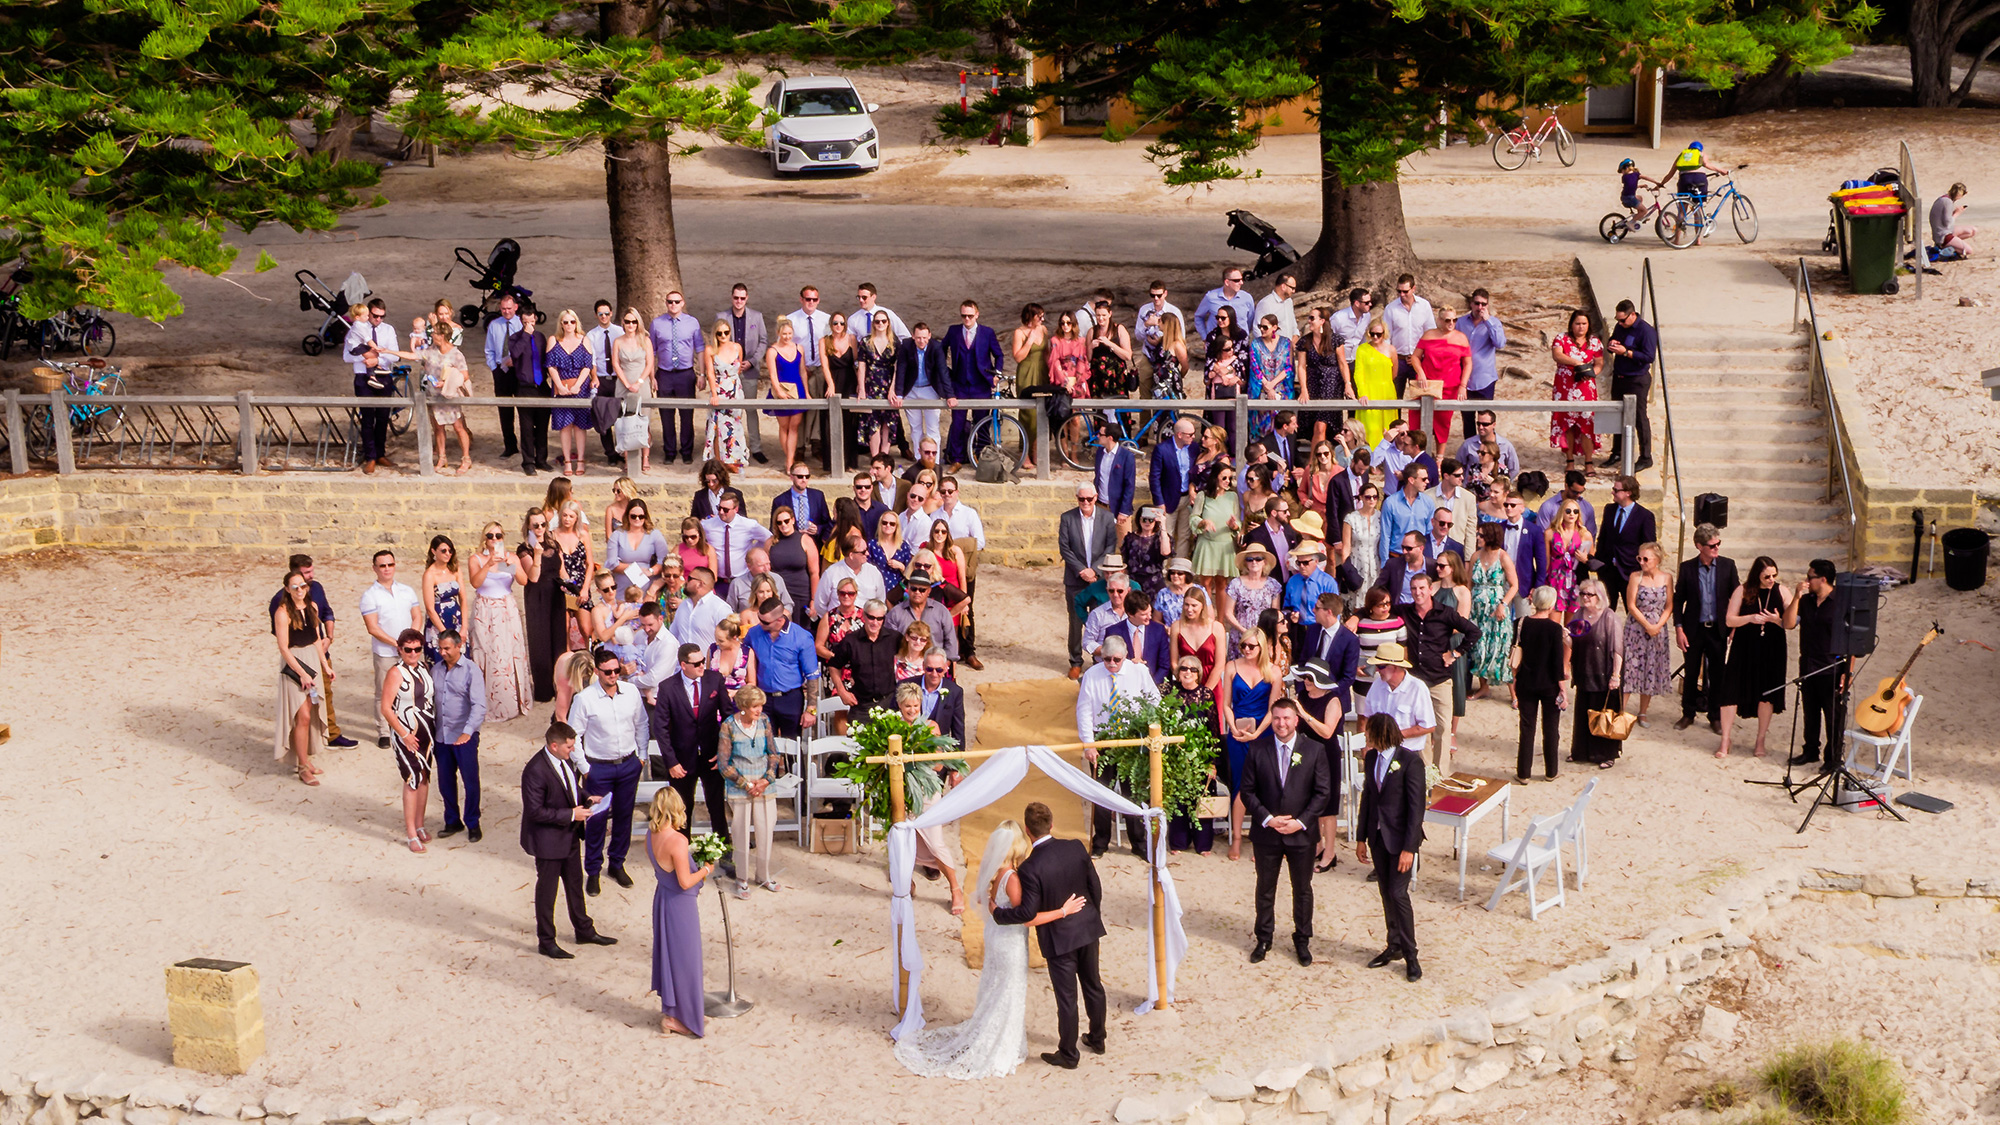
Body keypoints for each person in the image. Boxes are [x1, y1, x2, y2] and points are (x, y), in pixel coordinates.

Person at [895, 819, 1072, 1080]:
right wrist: (1062, 911)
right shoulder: (1012, 878)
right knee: (1008, 991)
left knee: (997, 988)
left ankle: (1000, 1035)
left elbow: (991, 902)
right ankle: (1001, 1044)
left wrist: (995, 907)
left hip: (997, 936)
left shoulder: (998, 873)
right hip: (1009, 942)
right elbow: (1026, 917)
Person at [988, 801, 1106, 1070]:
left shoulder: (1029, 868)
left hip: (1059, 939)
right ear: (1052, 824)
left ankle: (1068, 1053)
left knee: (1067, 998)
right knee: (1093, 985)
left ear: (1028, 831)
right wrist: (1091, 916)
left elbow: (1026, 913)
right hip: (1087, 928)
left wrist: (998, 914)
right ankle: (1098, 1039)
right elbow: (1095, 886)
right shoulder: (1076, 846)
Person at [1241, 697, 1332, 966]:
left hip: (1301, 834)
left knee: (1302, 889)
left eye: (1287, 718)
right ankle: (1264, 938)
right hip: (1267, 833)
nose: (1281, 723)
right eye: (1277, 718)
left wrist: (1301, 822)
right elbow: (1247, 791)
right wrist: (1267, 819)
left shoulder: (1315, 750)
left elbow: (1322, 792)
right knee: (1265, 888)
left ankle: (1302, 940)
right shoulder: (1258, 749)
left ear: (1296, 720)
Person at [520, 720, 618, 959]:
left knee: (575, 885)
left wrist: (587, 797)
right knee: (548, 892)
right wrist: (572, 814)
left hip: (570, 836)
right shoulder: (535, 771)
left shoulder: (563, 762)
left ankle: (584, 930)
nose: (572, 750)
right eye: (569, 747)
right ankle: (546, 940)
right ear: (554, 746)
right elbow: (534, 811)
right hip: (548, 842)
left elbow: (570, 788)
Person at [566, 647, 650, 894]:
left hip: (628, 765)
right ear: (597, 671)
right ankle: (592, 871)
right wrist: (585, 768)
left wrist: (642, 757)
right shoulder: (584, 699)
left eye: (617, 670)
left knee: (624, 817)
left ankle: (617, 864)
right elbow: (574, 736)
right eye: (608, 672)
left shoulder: (631, 692)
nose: (613, 675)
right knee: (597, 821)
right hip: (598, 768)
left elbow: (642, 724)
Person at [1356, 711, 1426, 982]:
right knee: (1386, 892)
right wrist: (1361, 838)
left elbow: (1416, 808)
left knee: (1399, 894)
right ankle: (1393, 944)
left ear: (1380, 733)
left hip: (1401, 841)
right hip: (1378, 839)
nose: (1366, 736)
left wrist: (1409, 848)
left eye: (1369, 732)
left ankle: (1411, 954)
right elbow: (1368, 799)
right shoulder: (1372, 758)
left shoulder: (1410, 762)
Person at [1074, 636, 1158, 859]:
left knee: (1132, 794)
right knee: (1102, 793)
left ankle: (1139, 843)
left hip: (1130, 741)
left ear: (1125, 657)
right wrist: (1089, 744)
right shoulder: (1092, 675)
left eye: (1116, 660)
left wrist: (1147, 731)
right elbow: (1084, 710)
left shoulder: (1138, 672)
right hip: (1103, 741)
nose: (1111, 664)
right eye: (1106, 659)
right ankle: (1100, 841)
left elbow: (1154, 700)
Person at [643, 787, 711, 1038]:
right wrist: (706, 870)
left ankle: (680, 1012)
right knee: (686, 961)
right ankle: (677, 1019)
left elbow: (663, 872)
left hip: (662, 899)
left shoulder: (650, 837)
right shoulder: (677, 841)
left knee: (671, 959)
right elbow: (684, 881)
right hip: (680, 905)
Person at [1401, 570, 1480, 769]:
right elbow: (1374, 608)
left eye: (1421, 588)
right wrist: (1356, 618)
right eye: (1414, 588)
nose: (1418, 593)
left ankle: (1441, 774)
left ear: (1430, 590)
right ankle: (1426, 774)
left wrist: (1455, 653)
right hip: (1416, 680)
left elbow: (1473, 632)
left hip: (1439, 679)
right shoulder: (1405, 611)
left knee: (1443, 728)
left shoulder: (1445, 613)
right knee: (1421, 728)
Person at [1715, 556, 1791, 761]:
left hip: (1772, 647)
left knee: (1766, 694)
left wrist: (1777, 620)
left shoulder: (1782, 591)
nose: (1771, 579)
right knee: (1730, 691)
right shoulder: (1742, 590)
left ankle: (1760, 739)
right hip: (1744, 645)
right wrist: (1750, 618)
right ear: (1757, 574)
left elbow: (1792, 621)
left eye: (1774, 575)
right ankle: (1726, 739)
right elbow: (1730, 619)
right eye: (1767, 576)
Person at [1217, 627, 1281, 862]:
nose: (1245, 649)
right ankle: (1235, 838)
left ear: (1261, 647)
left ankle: (1260, 837)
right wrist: (1233, 728)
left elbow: (1273, 708)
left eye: (1251, 646)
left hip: (1263, 734)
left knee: (1264, 785)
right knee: (1240, 786)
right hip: (1238, 732)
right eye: (1243, 645)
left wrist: (1259, 733)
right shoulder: (1232, 667)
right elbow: (1226, 704)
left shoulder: (1273, 671)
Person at [1672, 524, 1738, 733]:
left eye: (1718, 544)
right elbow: (1678, 600)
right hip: (1694, 628)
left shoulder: (1728, 566)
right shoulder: (1687, 568)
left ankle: (1715, 716)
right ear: (1699, 546)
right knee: (1691, 672)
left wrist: (1734, 625)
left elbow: (1736, 596)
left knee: (1718, 673)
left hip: (1718, 629)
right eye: (1712, 545)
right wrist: (1679, 629)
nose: (1716, 548)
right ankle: (1688, 713)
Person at [1785, 559, 1851, 769]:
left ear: (1822, 579)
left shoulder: (1841, 602)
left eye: (1810, 576)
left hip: (1832, 667)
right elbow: (1788, 623)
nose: (1807, 580)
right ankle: (1810, 750)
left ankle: (1832, 758)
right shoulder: (1806, 601)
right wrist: (1796, 596)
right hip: (1808, 664)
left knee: (1833, 716)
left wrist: (1847, 672)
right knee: (1810, 712)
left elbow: (1851, 641)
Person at [718, 684, 782, 897]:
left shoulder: (764, 721)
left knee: (766, 831)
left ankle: (763, 875)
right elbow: (723, 763)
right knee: (740, 833)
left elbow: (773, 753)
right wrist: (746, 784)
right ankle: (741, 878)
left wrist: (766, 780)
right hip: (740, 787)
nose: (759, 710)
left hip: (764, 785)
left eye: (760, 705)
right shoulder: (729, 725)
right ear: (743, 706)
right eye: (755, 706)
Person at [380, 627, 436, 853]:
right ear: (400, 649)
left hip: (427, 731)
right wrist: (404, 735)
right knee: (412, 778)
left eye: (417, 649)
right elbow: (386, 708)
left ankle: (420, 824)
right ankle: (411, 832)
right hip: (406, 733)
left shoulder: (424, 668)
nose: (413, 654)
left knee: (424, 778)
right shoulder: (395, 673)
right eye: (408, 650)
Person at [359, 550, 423, 749]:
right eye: (382, 565)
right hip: (385, 652)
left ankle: (413, 724)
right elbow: (373, 627)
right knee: (383, 692)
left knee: (414, 688)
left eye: (390, 564)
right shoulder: (370, 596)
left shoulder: (407, 590)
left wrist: (411, 641)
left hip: (410, 651)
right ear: (374, 568)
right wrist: (397, 644)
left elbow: (417, 615)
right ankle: (384, 731)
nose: (387, 569)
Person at [273, 568, 330, 785]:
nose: (300, 590)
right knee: (302, 715)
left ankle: (305, 759)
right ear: (287, 589)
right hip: (296, 665)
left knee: (311, 713)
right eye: (295, 587)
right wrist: (303, 673)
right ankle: (302, 766)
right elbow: (284, 648)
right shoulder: (283, 612)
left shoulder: (312, 607)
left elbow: (317, 639)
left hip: (313, 662)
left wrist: (325, 665)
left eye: (303, 586)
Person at [429, 628, 487, 841]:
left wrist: (467, 732)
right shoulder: (435, 670)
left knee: (470, 782)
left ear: (458, 646)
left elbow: (479, 705)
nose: (442, 652)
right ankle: (452, 820)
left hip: (464, 737)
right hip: (442, 736)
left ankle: (473, 822)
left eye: (447, 648)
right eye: (440, 648)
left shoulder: (472, 670)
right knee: (445, 781)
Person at [1058, 484, 1119, 678]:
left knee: (1100, 621)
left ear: (1096, 497)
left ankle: (1098, 660)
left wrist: (1094, 570)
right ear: (1077, 498)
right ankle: (1075, 661)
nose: (1085, 503)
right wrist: (1082, 570)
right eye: (1081, 499)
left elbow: (1111, 546)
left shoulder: (1107, 518)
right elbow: (1064, 548)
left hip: (1099, 578)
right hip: (1076, 578)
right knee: (1075, 621)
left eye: (1089, 499)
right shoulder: (1067, 518)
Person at [1567, 577, 1627, 769]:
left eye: (1590, 594)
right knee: (1583, 712)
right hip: (1584, 670)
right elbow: (1573, 642)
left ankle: (1605, 754)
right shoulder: (1578, 615)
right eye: (1583, 594)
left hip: (1604, 672)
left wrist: (1616, 675)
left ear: (1599, 596)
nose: (1585, 598)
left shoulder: (1609, 617)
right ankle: (1581, 752)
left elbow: (1617, 649)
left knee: (1604, 714)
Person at [1512, 587, 1569, 782]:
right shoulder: (1555, 629)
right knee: (1551, 729)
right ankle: (1551, 771)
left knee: (1527, 729)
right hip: (1549, 685)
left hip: (1526, 682)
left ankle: (1523, 773)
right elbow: (1557, 662)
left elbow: (1515, 653)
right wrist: (1563, 690)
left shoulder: (1520, 623)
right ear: (1551, 605)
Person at [941, 300, 1004, 470]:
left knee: (982, 422)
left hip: (981, 384)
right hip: (960, 384)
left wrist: (996, 375)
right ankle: (957, 459)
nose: (967, 319)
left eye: (970, 315)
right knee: (957, 423)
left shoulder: (987, 333)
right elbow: (941, 350)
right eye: (963, 315)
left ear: (977, 314)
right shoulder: (953, 331)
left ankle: (981, 457)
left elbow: (999, 355)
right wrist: (945, 372)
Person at [745, 598, 820, 738]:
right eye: (759, 619)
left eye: (765, 622)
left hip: (790, 698)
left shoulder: (802, 637)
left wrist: (811, 709)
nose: (760, 624)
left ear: (780, 620)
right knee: (763, 746)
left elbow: (812, 675)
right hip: (762, 698)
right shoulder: (753, 633)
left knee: (791, 747)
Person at [343, 298, 403, 474]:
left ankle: (380, 453)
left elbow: (394, 354)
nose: (378, 320)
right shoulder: (357, 328)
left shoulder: (388, 330)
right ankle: (370, 456)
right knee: (367, 418)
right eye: (375, 316)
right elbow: (347, 356)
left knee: (383, 417)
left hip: (383, 375)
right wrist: (364, 359)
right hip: (363, 376)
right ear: (368, 313)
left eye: (381, 317)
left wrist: (378, 360)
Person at [714, 283, 771, 463]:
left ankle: (756, 448)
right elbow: (716, 341)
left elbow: (763, 341)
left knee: (751, 410)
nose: (739, 301)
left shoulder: (757, 317)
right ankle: (728, 446)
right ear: (732, 297)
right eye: (736, 297)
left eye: (742, 298)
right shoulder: (721, 317)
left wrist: (752, 361)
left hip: (749, 370)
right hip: (728, 373)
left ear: (747, 298)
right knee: (728, 411)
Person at [1621, 543, 1675, 726]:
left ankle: (1643, 712)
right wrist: (1647, 624)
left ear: (1657, 560)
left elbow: (1669, 606)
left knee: (1650, 668)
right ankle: (1621, 709)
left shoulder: (1667, 578)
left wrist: (1658, 625)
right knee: (1630, 667)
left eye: (1646, 559)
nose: (1642, 562)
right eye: (1639, 558)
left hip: (1658, 629)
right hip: (1636, 629)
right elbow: (1631, 605)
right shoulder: (1635, 577)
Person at [650, 291, 705, 466]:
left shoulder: (692, 323)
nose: (673, 305)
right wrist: (652, 376)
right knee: (666, 416)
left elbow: (700, 349)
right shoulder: (657, 324)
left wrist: (701, 374)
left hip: (685, 374)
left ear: (682, 303)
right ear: (666, 303)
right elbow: (651, 351)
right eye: (670, 302)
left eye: (677, 301)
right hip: (665, 373)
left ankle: (687, 451)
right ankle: (670, 451)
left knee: (687, 415)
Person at [1468, 522, 1519, 698]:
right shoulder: (1476, 556)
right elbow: (1469, 584)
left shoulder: (1503, 557)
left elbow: (1514, 585)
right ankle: (1483, 686)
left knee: (1500, 648)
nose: (1478, 538)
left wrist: (1503, 604)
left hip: (1496, 607)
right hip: (1477, 608)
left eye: (1481, 535)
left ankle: (1513, 693)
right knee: (1479, 647)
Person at [1605, 300, 1657, 471]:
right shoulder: (1620, 327)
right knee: (1617, 414)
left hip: (1637, 379)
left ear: (1632, 315)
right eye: (1618, 320)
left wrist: (1626, 352)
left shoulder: (1646, 331)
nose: (1620, 323)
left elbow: (1649, 357)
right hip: (1620, 377)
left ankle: (1645, 456)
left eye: (1623, 320)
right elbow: (1613, 339)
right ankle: (1617, 452)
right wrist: (1612, 345)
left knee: (1639, 418)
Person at [544, 310, 598, 476]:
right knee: (565, 426)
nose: (569, 325)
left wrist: (578, 385)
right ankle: (567, 461)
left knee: (580, 426)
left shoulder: (584, 340)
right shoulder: (553, 340)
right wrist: (559, 385)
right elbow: (550, 365)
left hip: (580, 389)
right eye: (566, 322)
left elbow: (587, 366)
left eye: (572, 322)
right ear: (561, 323)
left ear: (577, 323)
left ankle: (580, 459)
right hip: (561, 389)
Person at [1410, 303, 1471, 448]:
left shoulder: (1461, 338)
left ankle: (1439, 458)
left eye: (1454, 320)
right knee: (1417, 417)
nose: (1451, 323)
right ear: (1439, 321)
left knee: (1443, 422)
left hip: (1450, 385)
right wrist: (1421, 373)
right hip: (1427, 384)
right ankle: (1418, 452)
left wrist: (1463, 386)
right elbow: (1415, 357)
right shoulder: (1429, 335)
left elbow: (1468, 363)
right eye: (1447, 320)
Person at [519, 509, 564, 703]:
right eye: (535, 525)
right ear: (528, 526)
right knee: (540, 642)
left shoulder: (554, 544)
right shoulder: (524, 548)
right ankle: (544, 690)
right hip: (537, 596)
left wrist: (571, 586)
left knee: (559, 640)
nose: (539, 529)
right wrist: (537, 554)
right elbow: (533, 577)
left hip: (556, 594)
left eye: (542, 524)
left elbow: (562, 570)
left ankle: (561, 686)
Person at [1550, 310, 1603, 475]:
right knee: (1568, 424)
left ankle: (1588, 462)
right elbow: (1557, 355)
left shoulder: (1594, 342)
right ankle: (1570, 461)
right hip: (1565, 387)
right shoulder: (1561, 339)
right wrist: (1578, 363)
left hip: (1586, 387)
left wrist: (1591, 373)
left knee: (1587, 424)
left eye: (1584, 324)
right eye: (1577, 323)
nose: (1581, 327)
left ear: (1589, 325)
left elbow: (1599, 363)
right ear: (1571, 325)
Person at [891, 322, 952, 455]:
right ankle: (920, 460)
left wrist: (950, 395)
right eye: (918, 337)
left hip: (930, 389)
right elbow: (901, 369)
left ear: (929, 336)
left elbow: (943, 371)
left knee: (933, 428)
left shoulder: (936, 347)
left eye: (924, 337)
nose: (921, 341)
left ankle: (934, 462)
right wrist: (899, 394)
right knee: (915, 428)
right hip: (911, 390)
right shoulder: (906, 346)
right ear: (913, 336)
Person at [1453, 290, 1507, 439]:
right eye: (1477, 303)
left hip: (1485, 379)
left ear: (1488, 305)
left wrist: (1488, 321)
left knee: (1485, 420)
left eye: (1483, 304)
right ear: (1471, 304)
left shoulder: (1494, 322)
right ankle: (1470, 454)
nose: (1480, 307)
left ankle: (1488, 452)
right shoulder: (1461, 322)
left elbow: (1500, 343)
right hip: (1464, 379)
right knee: (1468, 420)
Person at [423, 317, 474, 474]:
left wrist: (447, 382)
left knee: (458, 427)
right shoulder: (431, 350)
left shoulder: (456, 354)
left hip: (449, 394)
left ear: (442, 335)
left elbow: (464, 374)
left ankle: (466, 458)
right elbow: (417, 357)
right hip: (433, 394)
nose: (432, 335)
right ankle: (442, 457)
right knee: (438, 427)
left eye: (435, 333)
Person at [506, 308, 553, 476]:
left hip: (541, 387)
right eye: (526, 322)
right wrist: (525, 334)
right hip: (524, 386)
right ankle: (528, 461)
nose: (530, 325)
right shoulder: (515, 338)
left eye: (532, 322)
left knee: (542, 426)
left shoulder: (540, 337)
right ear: (521, 321)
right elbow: (515, 354)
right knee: (526, 427)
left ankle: (541, 459)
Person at [1188, 464, 1242, 608]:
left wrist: (1234, 525)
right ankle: (1207, 618)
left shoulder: (1232, 496)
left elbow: (1237, 523)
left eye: (1230, 478)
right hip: (1207, 543)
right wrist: (1203, 522)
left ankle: (1220, 623)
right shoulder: (1203, 495)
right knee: (1205, 584)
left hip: (1225, 545)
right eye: (1224, 477)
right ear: (1215, 478)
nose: (1227, 481)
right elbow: (1193, 518)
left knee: (1222, 584)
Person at [1595, 475, 1657, 599]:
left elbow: (1649, 547)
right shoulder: (1609, 510)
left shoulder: (1644, 516)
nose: (1613, 492)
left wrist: (1643, 571)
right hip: (1607, 571)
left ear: (1628, 493)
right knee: (1605, 612)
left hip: (1630, 572)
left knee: (1633, 611)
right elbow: (1603, 538)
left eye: (1616, 490)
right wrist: (1599, 564)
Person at [608, 308, 654, 472]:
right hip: (623, 383)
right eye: (627, 321)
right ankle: (627, 458)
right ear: (623, 323)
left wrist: (640, 381)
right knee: (624, 422)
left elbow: (649, 363)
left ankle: (645, 457)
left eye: (634, 321)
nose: (630, 325)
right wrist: (627, 383)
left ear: (638, 323)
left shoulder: (645, 340)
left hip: (642, 383)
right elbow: (615, 364)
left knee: (644, 421)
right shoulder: (618, 341)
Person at [702, 317, 750, 471]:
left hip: (735, 390)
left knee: (735, 425)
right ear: (715, 334)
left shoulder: (737, 347)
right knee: (718, 426)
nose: (723, 336)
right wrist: (715, 394)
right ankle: (720, 461)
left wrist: (735, 387)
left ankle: (733, 459)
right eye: (719, 333)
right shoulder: (710, 350)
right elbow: (710, 373)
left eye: (726, 332)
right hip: (719, 389)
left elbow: (739, 369)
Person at [1297, 306, 1349, 445]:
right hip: (1313, 386)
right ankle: (1317, 461)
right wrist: (1303, 389)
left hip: (1332, 386)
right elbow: (1301, 366)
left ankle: (1314, 463)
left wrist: (1347, 384)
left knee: (1321, 426)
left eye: (1312, 318)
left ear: (1322, 321)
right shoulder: (1305, 341)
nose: (1309, 321)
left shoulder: (1336, 340)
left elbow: (1343, 364)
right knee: (1315, 427)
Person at [856, 310, 904, 460]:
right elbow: (862, 366)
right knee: (873, 421)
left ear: (888, 322)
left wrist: (893, 389)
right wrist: (862, 389)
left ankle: (884, 456)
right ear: (873, 323)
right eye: (877, 321)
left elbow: (898, 367)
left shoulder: (895, 342)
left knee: (888, 421)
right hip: (871, 383)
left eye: (883, 321)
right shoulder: (865, 342)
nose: (880, 324)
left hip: (889, 382)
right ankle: (875, 457)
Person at [701, 492, 771, 588]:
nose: (721, 512)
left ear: (736, 509)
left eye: (725, 510)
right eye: (719, 508)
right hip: (718, 582)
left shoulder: (748, 525)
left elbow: (769, 538)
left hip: (743, 580)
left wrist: (754, 551)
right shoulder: (707, 525)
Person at [484, 294, 524, 461]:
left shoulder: (522, 324)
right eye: (503, 309)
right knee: (505, 410)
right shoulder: (494, 325)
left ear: (515, 307)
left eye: (509, 308)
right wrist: (494, 368)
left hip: (519, 372)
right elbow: (489, 350)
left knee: (524, 409)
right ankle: (510, 445)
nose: (506, 312)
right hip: (501, 371)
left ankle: (528, 444)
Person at [1348, 317, 1398, 449]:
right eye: (1372, 333)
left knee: (1387, 427)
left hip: (1386, 392)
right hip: (1368, 391)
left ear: (1384, 334)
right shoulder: (1362, 349)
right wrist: (1362, 393)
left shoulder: (1391, 350)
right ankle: (1371, 460)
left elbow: (1394, 373)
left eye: (1379, 334)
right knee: (1370, 428)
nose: (1375, 337)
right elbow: (1358, 373)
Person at [1246, 315, 1296, 444]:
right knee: (1261, 425)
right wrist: (1267, 386)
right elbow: (1254, 367)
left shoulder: (1286, 343)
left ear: (1274, 327)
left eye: (1265, 327)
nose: (1262, 330)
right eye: (1260, 327)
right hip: (1262, 389)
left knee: (1281, 423)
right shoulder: (1256, 343)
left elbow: (1288, 367)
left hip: (1281, 390)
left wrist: (1273, 384)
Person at [1383, 275, 1435, 396]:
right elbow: (1386, 337)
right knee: (1394, 398)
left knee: (1421, 396)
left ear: (1413, 289)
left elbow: (1430, 333)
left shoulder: (1424, 306)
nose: (1402, 294)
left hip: (1419, 360)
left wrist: (1423, 356)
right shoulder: (1391, 308)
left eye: (1405, 291)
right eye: (1399, 291)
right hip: (1398, 359)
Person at [903, 651, 968, 748]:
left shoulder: (955, 692)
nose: (934, 674)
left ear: (946, 668)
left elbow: (958, 730)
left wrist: (958, 758)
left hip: (939, 751)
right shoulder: (906, 686)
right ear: (923, 666)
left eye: (939, 670)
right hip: (909, 749)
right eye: (929, 669)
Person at [822, 312, 861, 462]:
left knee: (850, 420)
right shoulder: (824, 341)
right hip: (832, 379)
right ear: (831, 324)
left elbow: (856, 363)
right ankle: (831, 461)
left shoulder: (852, 339)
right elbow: (825, 366)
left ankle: (850, 460)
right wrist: (831, 384)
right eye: (835, 323)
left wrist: (859, 384)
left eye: (842, 323)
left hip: (850, 380)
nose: (839, 326)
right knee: (829, 420)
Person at [1546, 499, 1593, 622]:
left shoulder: (1584, 534)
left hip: (1575, 580)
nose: (1572, 514)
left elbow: (1592, 559)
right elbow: (1545, 561)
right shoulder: (1550, 533)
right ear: (1562, 512)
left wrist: (1585, 559)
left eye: (1575, 511)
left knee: (1572, 627)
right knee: (1553, 624)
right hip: (1555, 580)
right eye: (1568, 511)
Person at [1342, 481, 1385, 594]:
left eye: (1375, 497)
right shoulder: (1351, 518)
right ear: (1361, 497)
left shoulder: (1381, 517)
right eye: (1368, 497)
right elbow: (1346, 546)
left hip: (1375, 564)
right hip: (1356, 564)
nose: (1372, 500)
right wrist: (1347, 569)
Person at [1192, 267, 1254, 341]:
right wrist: (1205, 337)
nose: (1241, 283)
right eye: (1237, 280)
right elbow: (1198, 317)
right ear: (1227, 282)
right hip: (1216, 343)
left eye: (1241, 279)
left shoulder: (1247, 298)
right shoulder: (1211, 297)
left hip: (1240, 344)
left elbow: (1250, 320)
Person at [1931, 182, 1977, 256]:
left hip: (1941, 230)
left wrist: (1954, 213)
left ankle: (1954, 244)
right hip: (1943, 235)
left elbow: (1944, 219)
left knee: (1972, 230)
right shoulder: (1948, 202)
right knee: (1969, 251)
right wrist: (1957, 213)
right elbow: (1948, 223)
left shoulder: (1943, 198)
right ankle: (1946, 247)